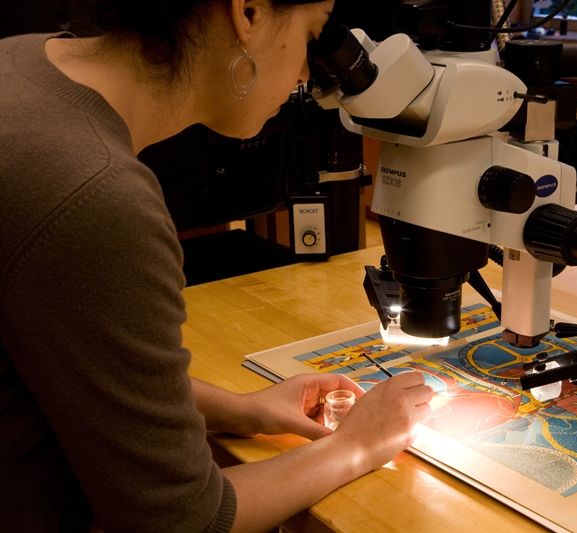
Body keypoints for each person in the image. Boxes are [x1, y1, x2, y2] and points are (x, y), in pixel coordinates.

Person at [0, 1, 435, 531]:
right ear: (247, 11)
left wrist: (239, 409)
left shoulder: (23, 63)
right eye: (312, 33)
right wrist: (359, 445)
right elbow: (182, 521)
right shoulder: (97, 197)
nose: (306, 71)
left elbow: (72, 365)